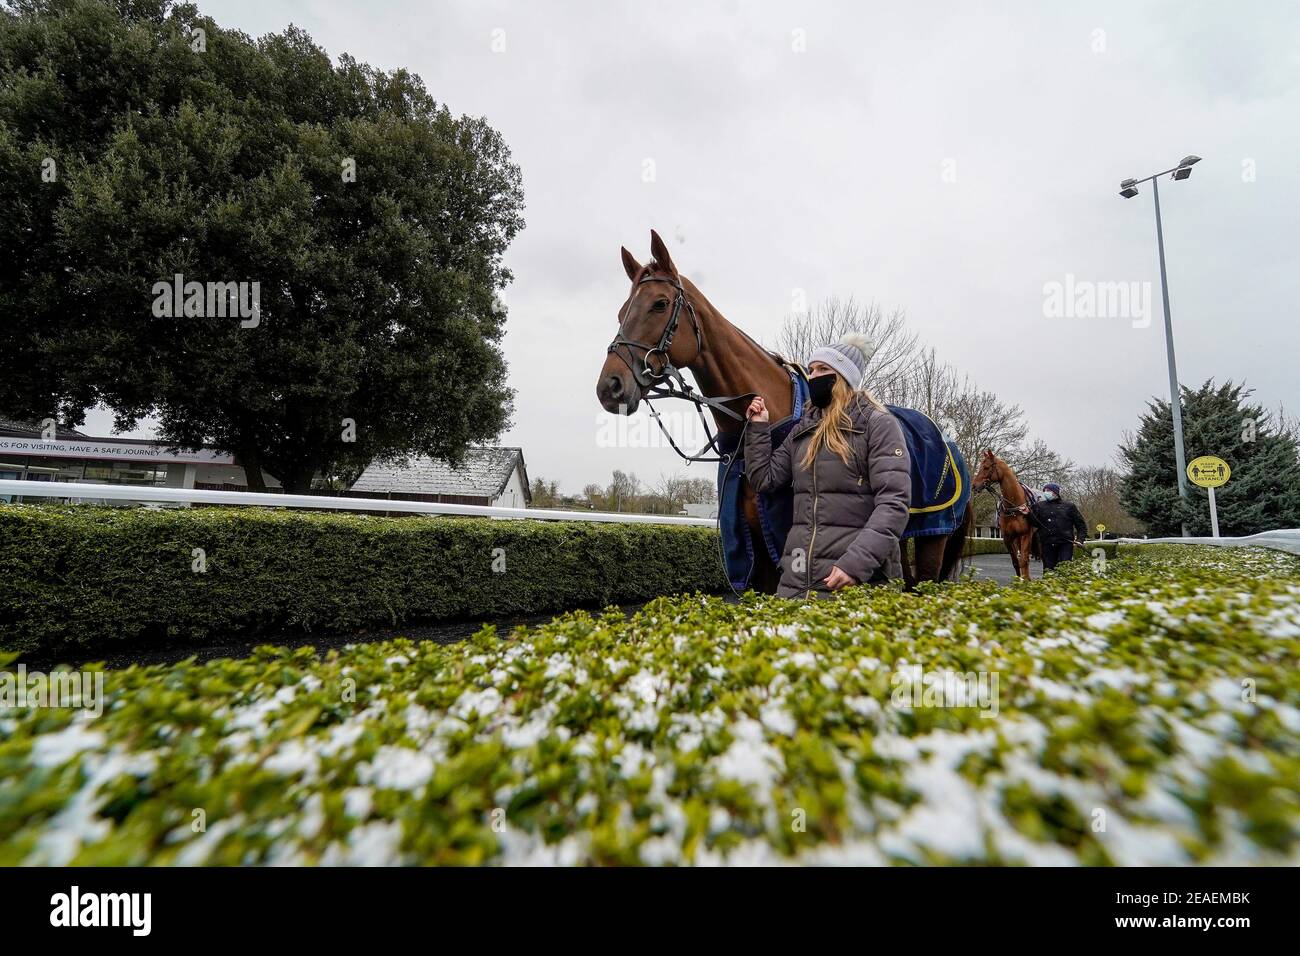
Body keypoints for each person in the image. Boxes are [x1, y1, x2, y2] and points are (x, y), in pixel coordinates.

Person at [744, 333, 911, 598]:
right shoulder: (803, 427)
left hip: (854, 582)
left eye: (823, 369)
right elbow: (765, 479)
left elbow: (894, 504)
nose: (812, 376)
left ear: (845, 377)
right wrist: (758, 428)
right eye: (810, 370)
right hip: (796, 583)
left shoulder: (878, 424)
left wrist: (855, 565)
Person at [1030, 482, 1088, 571]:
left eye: (1048, 490)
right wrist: (1027, 514)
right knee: (1048, 569)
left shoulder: (1069, 506)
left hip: (1065, 543)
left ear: (1055, 492)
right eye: (1044, 490)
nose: (1046, 492)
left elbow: (1081, 525)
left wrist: (1080, 539)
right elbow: (1034, 523)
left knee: (1064, 568)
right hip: (1047, 543)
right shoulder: (1039, 506)